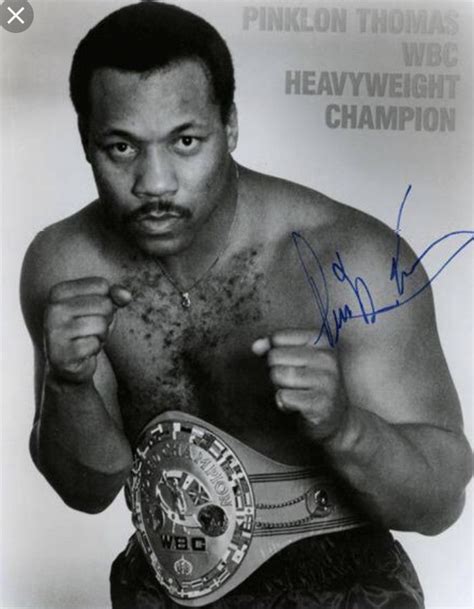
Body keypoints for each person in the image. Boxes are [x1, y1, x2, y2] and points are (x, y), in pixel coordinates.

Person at [20, 2, 472, 608]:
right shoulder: (66, 263)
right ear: (86, 140)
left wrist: (345, 427)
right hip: (157, 591)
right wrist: (68, 384)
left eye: (185, 141)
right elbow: (87, 490)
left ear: (230, 126)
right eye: (121, 148)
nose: (155, 183)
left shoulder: (352, 260)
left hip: (345, 594)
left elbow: (440, 504)